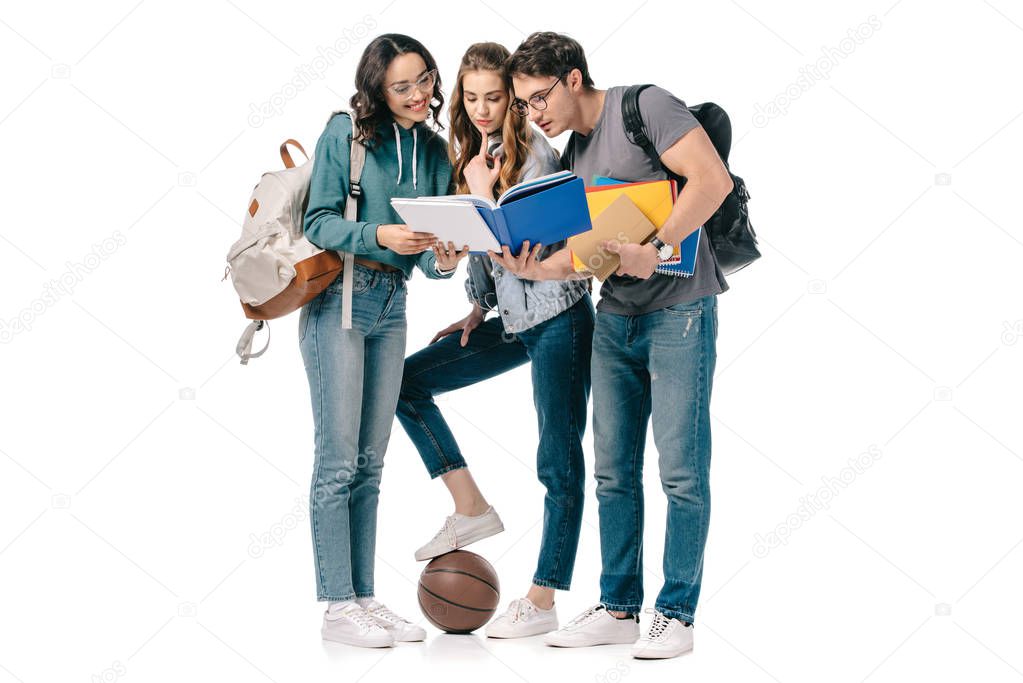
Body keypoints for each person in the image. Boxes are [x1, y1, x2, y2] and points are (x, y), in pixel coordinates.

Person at [493, 31, 733, 659]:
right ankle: (619, 606)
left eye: (537, 97)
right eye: (522, 104)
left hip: (679, 313)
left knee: (680, 471)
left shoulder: (645, 107)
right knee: (612, 473)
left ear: (573, 78)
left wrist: (653, 250)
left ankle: (675, 612)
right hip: (615, 320)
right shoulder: (573, 156)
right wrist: (526, 267)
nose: (533, 114)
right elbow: (581, 257)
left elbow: (713, 181)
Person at [395, 42, 595, 639]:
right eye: (472, 97)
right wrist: (475, 310)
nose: (482, 109)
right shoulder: (472, 154)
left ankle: (542, 598)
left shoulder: (537, 153)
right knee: (407, 381)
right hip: (508, 317)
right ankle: (472, 508)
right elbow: (482, 248)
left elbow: (518, 234)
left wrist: (482, 192)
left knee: (558, 460)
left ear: (512, 98)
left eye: (495, 97)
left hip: (558, 315)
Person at [300, 33, 467, 648]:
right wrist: (379, 236)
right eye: (402, 86)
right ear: (376, 88)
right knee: (338, 461)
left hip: (395, 305)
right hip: (338, 301)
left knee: (370, 465)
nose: (420, 94)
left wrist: (444, 257)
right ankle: (336, 606)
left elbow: (428, 259)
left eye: (425, 79)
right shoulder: (344, 134)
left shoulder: (432, 149)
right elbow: (317, 221)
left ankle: (363, 598)